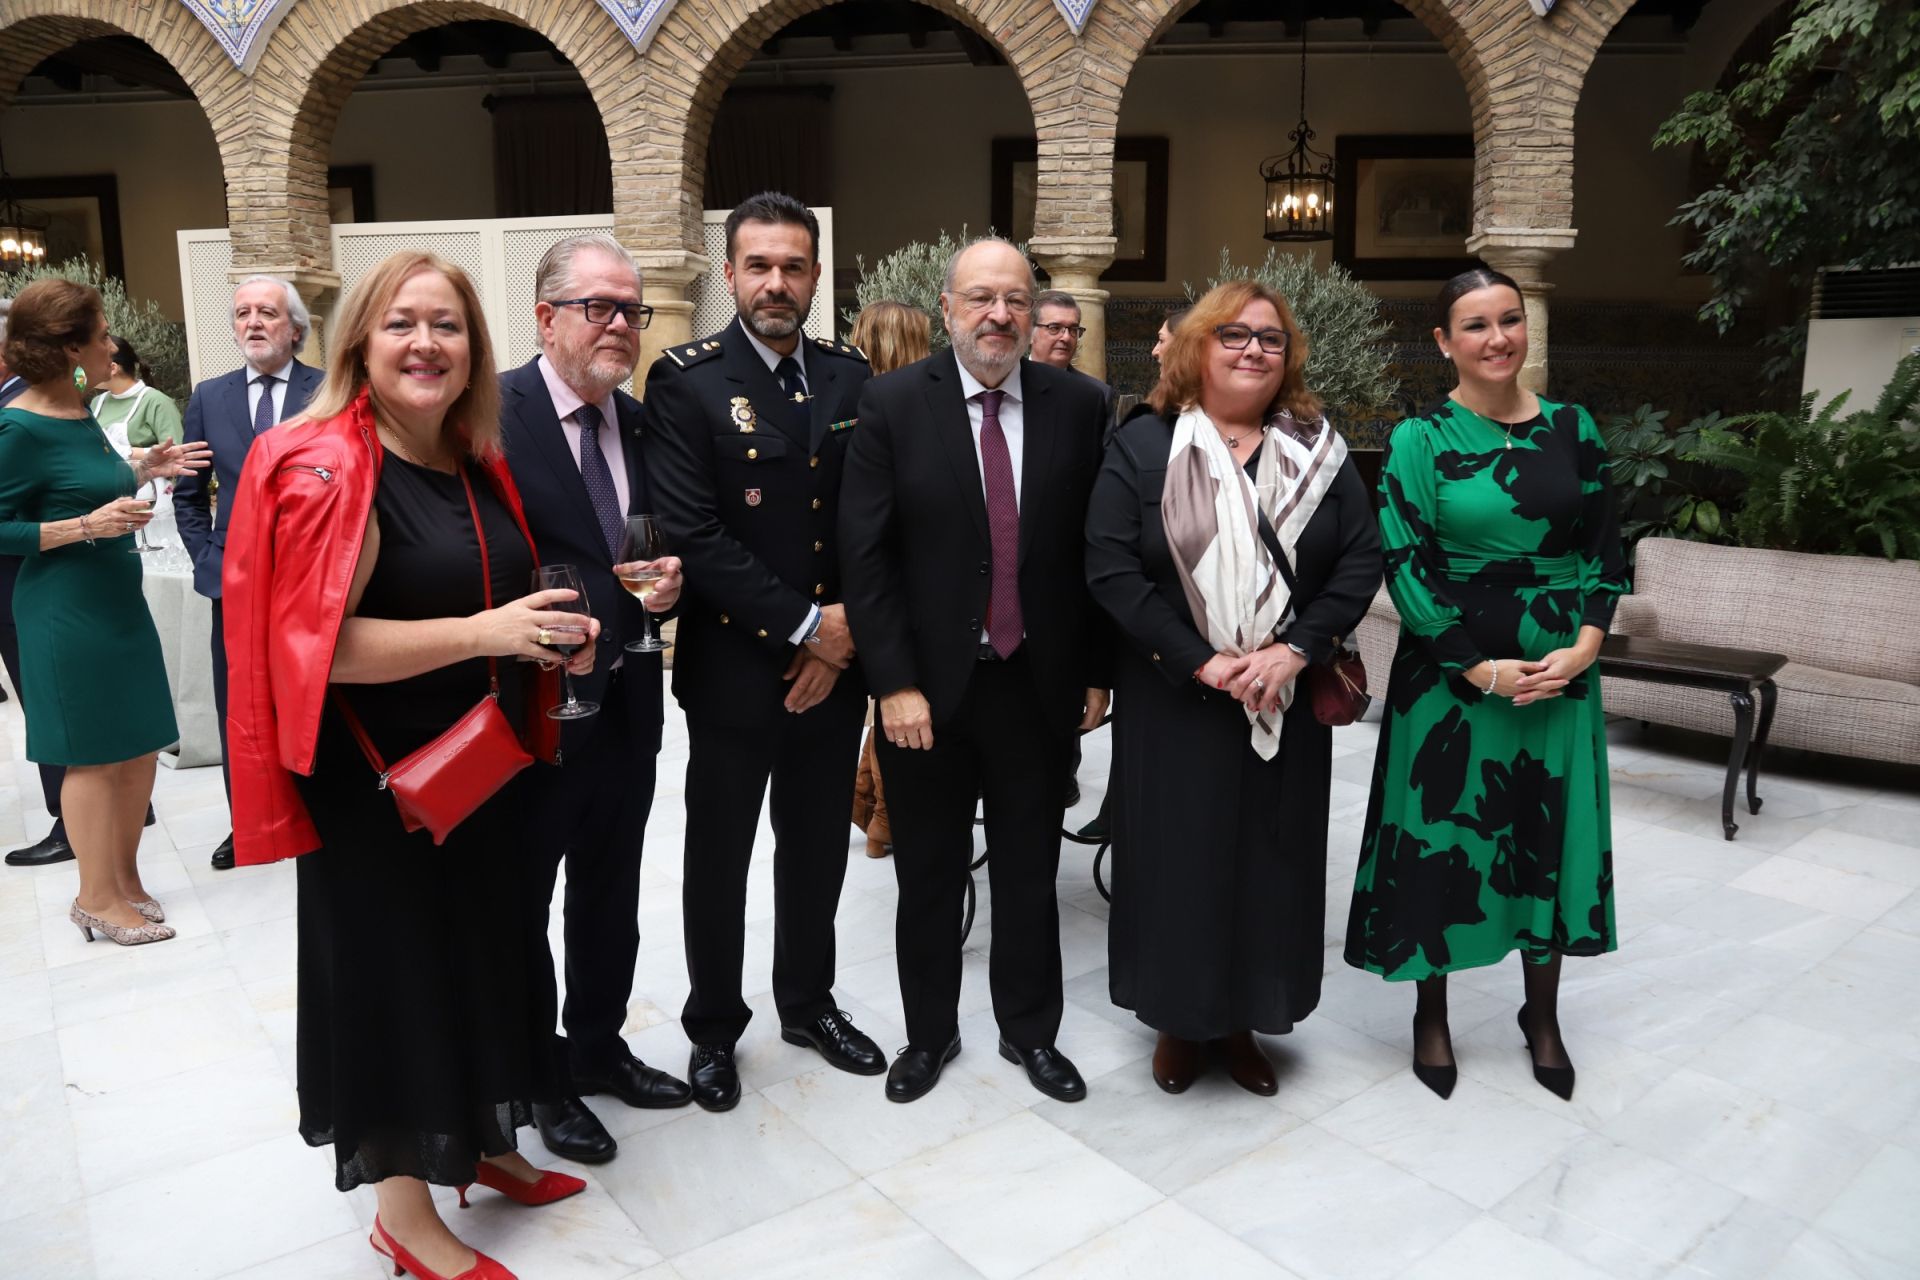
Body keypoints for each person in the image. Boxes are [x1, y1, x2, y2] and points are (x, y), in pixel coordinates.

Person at [224, 251, 599, 1280]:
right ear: (359, 343)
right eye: (402, 324)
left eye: (448, 325)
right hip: (377, 788)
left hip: (478, 771)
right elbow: (317, 650)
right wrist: (487, 631)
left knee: (488, 956)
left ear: (477, 349)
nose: (427, 343)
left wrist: (547, 639)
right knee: (400, 985)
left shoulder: (471, 456)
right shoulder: (321, 464)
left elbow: (503, 596)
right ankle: (404, 1211)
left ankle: (483, 1141)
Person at [1086, 280, 1382, 1095]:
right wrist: (1202, 660)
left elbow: (1361, 556)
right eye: (1234, 334)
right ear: (1197, 346)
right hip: (1177, 696)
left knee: (1269, 864)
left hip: (1281, 700)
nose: (1254, 348)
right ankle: (1179, 1023)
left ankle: (1247, 1021)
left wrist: (1295, 650)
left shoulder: (1318, 447)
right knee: (1177, 861)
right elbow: (1110, 569)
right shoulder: (1142, 446)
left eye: (1272, 338)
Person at [1344, 266, 1628, 1103]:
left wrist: (1581, 650)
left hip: (1557, 676)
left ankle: (1541, 1016)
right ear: (1444, 342)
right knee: (1447, 840)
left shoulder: (1576, 428)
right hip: (1451, 682)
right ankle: (1430, 1014)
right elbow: (1405, 562)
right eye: (1475, 325)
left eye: (1510, 320)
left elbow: (1605, 552)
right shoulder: (1418, 441)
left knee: (1544, 838)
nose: (1498, 337)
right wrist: (1477, 666)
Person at [840, 237, 1111, 1105]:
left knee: (1031, 871)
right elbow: (867, 557)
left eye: (1017, 300)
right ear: (948, 309)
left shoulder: (1080, 405)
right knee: (927, 872)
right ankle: (930, 1035)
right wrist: (894, 684)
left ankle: (1031, 1033)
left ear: (1034, 315)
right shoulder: (890, 406)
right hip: (928, 693)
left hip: (1036, 685)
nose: (1000, 315)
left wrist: (1097, 671)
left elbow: (1092, 554)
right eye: (982, 298)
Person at [644, 191, 883, 1111]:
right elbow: (695, 533)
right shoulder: (686, 380)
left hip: (836, 666)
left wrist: (842, 635)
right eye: (758, 265)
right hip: (739, 667)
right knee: (721, 853)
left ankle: (808, 1001)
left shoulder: (850, 377)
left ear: (817, 275)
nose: (776, 282)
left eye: (793, 266)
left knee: (817, 847)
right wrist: (805, 626)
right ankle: (712, 1028)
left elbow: (876, 523)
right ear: (733, 274)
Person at [499, 232, 692, 1165]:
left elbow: (642, 551)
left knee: (611, 891)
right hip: (530, 710)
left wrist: (666, 586)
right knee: (526, 899)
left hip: (627, 703)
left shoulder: (641, 421)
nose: (622, 326)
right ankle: (539, 1080)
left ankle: (599, 1049)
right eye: (600, 308)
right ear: (547, 317)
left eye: (633, 310)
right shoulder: (492, 412)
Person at [0, 279, 209, 941]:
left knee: (137, 741)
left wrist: (147, 465)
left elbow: (87, 482)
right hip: (64, 610)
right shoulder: (17, 424)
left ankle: (123, 879)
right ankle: (94, 896)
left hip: (117, 600)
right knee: (91, 753)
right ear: (69, 348)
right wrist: (86, 525)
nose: (110, 343)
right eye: (98, 333)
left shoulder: (81, 406)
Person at [174, 275, 323, 872]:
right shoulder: (210, 396)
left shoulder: (330, 389)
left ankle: (317, 813)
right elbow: (189, 494)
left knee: (310, 699)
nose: (253, 323)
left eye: (267, 312)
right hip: (232, 584)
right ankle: (249, 824)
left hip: (310, 583)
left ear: (294, 328)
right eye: (242, 313)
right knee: (239, 702)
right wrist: (206, 557)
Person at [845, 299, 932, 860]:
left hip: (858, 573)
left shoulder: (848, 399)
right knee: (894, 702)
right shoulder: (915, 405)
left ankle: (864, 800)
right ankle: (883, 818)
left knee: (885, 702)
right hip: (907, 576)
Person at [89, 335, 183, 462]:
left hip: (147, 480)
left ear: (113, 368)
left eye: (90, 364)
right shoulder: (97, 403)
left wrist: (127, 452)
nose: (84, 370)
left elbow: (176, 453)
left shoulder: (156, 402)